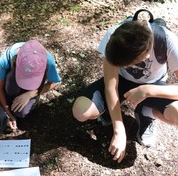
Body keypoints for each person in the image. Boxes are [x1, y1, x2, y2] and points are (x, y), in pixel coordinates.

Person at [72, 19, 178, 163]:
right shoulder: (115, 37)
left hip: (154, 85)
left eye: (129, 65)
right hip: (121, 81)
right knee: (81, 111)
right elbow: (111, 86)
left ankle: (146, 113)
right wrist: (119, 130)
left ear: (145, 56)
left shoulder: (167, 40)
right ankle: (109, 112)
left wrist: (148, 90)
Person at [0, 40, 61, 130]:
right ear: (15, 63)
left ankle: (24, 100)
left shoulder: (48, 61)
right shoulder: (6, 59)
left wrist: (30, 94)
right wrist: (8, 113)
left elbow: (54, 82)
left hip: (33, 89)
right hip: (12, 79)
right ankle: (10, 97)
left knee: (21, 112)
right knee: (10, 89)